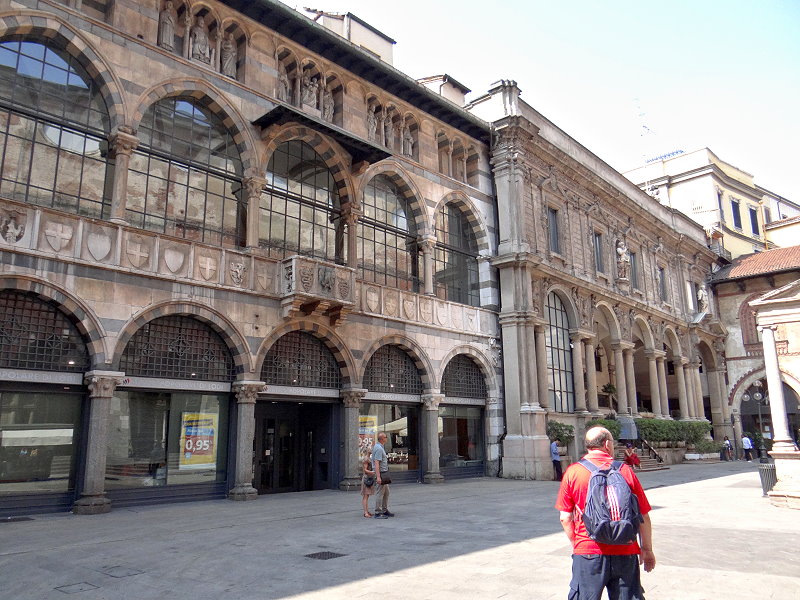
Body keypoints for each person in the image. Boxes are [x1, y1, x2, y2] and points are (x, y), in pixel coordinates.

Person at [556, 427, 655, 600]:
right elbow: (643, 515)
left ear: (587, 445)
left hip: (588, 551)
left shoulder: (573, 472)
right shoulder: (625, 471)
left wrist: (578, 544)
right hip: (626, 548)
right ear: (607, 444)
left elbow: (565, 517)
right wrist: (646, 549)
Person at [372, 431, 394, 518]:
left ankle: (384, 510)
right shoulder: (379, 448)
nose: (387, 438)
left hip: (383, 473)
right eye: (386, 437)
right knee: (380, 493)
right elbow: (376, 463)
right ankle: (378, 512)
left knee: (386, 492)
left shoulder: (380, 447)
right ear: (382, 439)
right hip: (381, 474)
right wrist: (378, 477)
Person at [360, 454, 375, 518]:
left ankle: (366, 511)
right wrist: (373, 472)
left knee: (366, 496)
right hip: (367, 479)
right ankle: (365, 512)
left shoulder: (369, 458)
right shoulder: (366, 459)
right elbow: (365, 470)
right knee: (365, 496)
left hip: (368, 478)